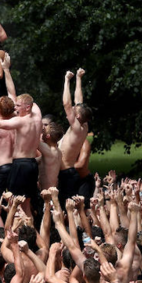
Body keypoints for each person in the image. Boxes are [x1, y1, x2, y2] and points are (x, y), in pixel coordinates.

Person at [58, 68, 92, 205]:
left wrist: (66, 81)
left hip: (66, 172)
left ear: (77, 116)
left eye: (74, 110)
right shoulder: (84, 125)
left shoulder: (77, 128)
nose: (73, 108)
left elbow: (66, 104)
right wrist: (78, 78)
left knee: (65, 207)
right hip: (67, 171)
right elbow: (79, 101)